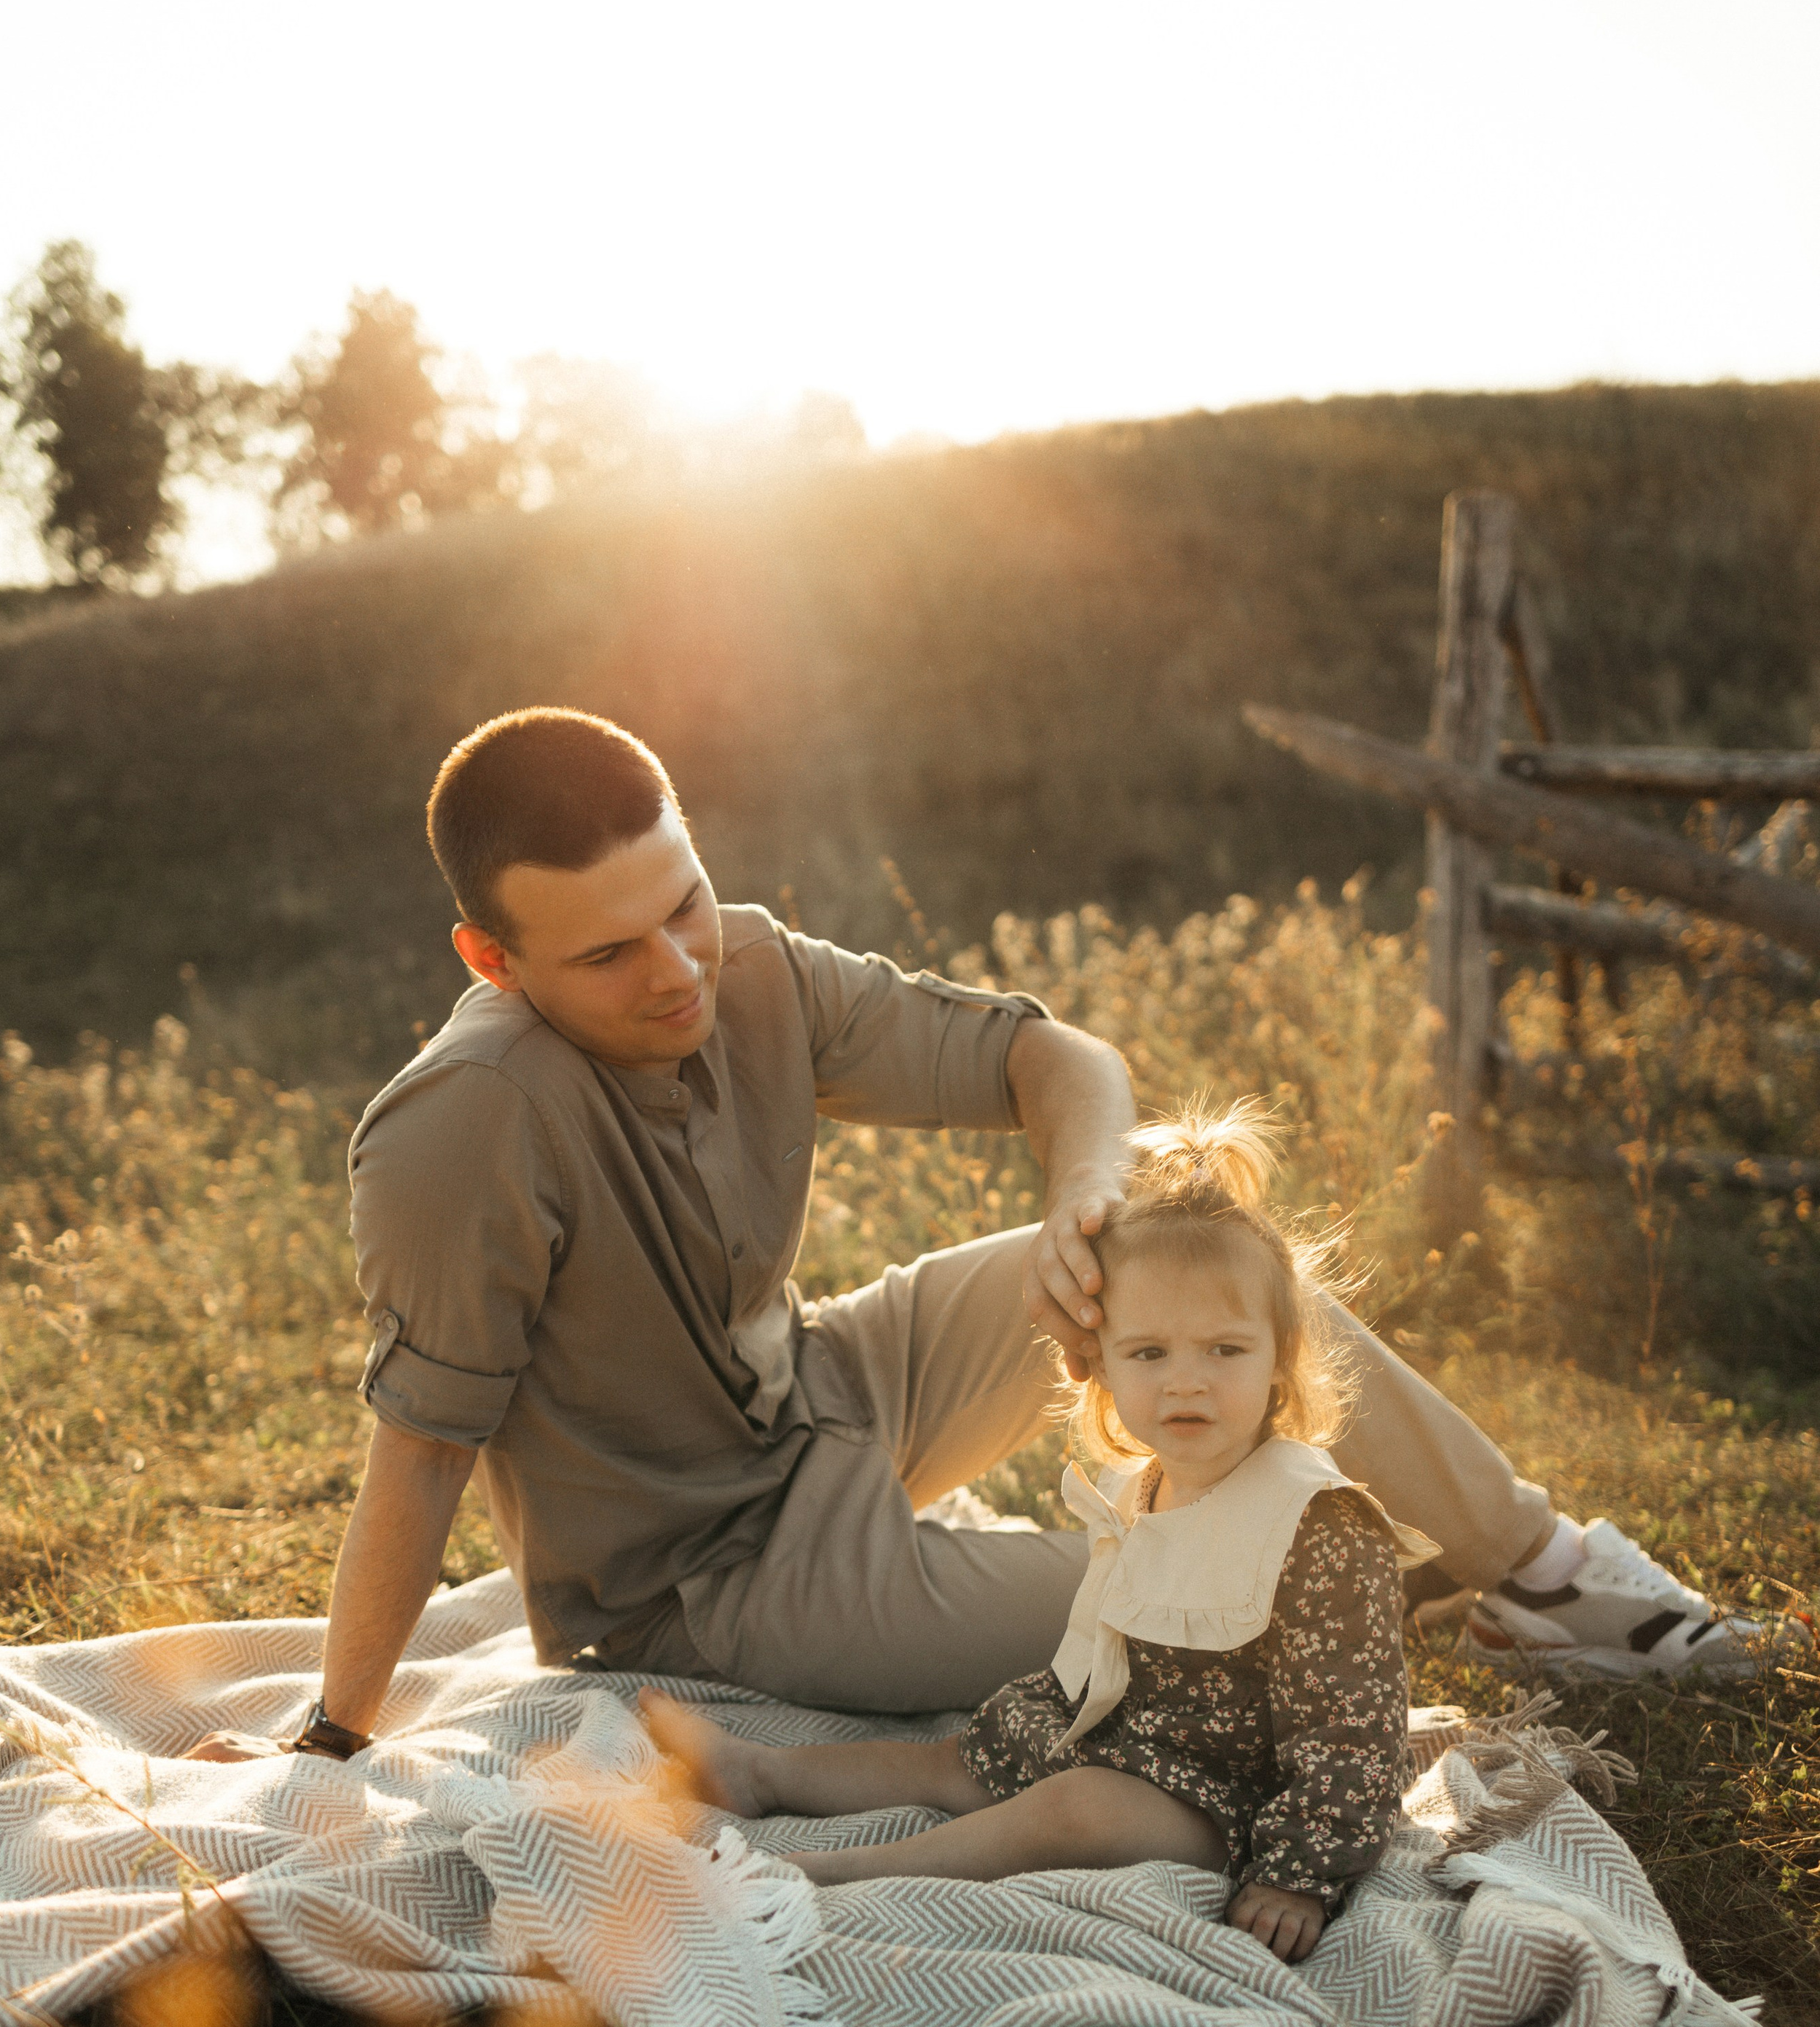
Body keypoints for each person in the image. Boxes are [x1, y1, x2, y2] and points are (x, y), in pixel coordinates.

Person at [190, 706, 1769, 1769]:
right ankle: (1366, 1575)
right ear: (492, 958)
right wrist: (333, 1737)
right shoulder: (457, 1128)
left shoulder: (746, 966)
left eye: (684, 902)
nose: (675, 969)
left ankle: (1541, 1575)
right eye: (608, 954)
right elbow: (420, 1456)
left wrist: (1088, 1208)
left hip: (833, 1389)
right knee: (1198, 1601)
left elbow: (1050, 1058)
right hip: (702, 1578)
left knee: (1196, 1243)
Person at [640, 1102, 1427, 1960]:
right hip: (1126, 1736)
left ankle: (829, 1874)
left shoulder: (1314, 1523)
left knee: (1073, 1808)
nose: (1185, 1383)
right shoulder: (1144, 1485)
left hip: (1226, 1799)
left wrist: (1300, 1871)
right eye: (1149, 1354)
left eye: (1224, 1351)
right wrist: (1050, 1720)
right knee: (957, 1759)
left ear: (1280, 1355)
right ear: (1100, 1363)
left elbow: (1353, 1729)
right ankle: (757, 1773)